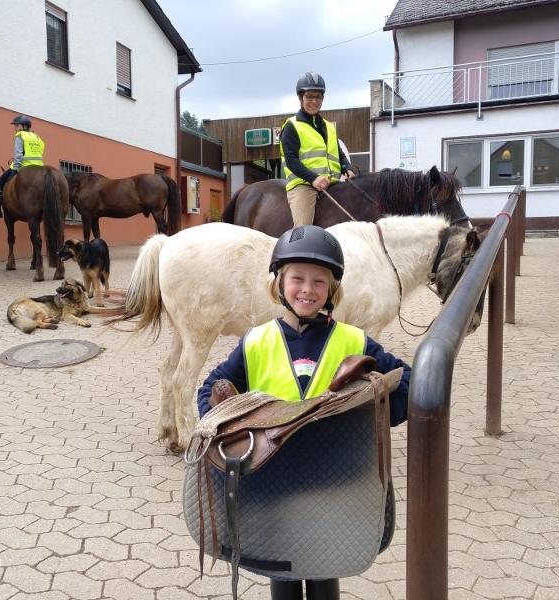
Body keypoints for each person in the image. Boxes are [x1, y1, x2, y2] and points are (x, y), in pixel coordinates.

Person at [196, 225, 411, 600]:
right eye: (297, 278)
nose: (307, 290)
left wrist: (373, 402)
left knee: (327, 571)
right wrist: (230, 424)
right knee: (283, 573)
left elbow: (404, 384)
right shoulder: (256, 341)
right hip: (274, 484)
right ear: (279, 282)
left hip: (335, 484)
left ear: (333, 290)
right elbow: (210, 390)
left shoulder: (355, 340)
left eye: (319, 281)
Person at [280, 72, 356, 228]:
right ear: (301, 98)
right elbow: (291, 160)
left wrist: (347, 167)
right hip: (304, 186)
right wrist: (313, 178)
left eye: (318, 97)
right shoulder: (291, 126)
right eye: (309, 96)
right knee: (304, 230)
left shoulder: (329, 126)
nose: (314, 101)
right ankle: (299, 250)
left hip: (332, 184)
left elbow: (338, 154)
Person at [0, 114, 45, 219]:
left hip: (24, 166)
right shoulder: (37, 137)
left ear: (24, 126)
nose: (15, 128)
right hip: (39, 167)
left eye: (17, 125)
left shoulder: (20, 135)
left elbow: (18, 155)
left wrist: (15, 170)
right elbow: (40, 152)